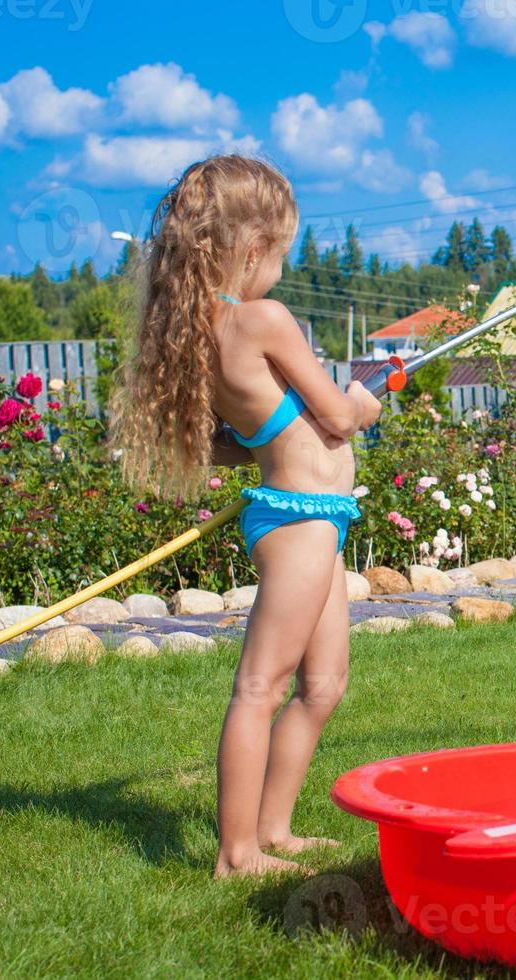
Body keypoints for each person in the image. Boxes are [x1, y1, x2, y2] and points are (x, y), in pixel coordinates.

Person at [111, 156, 383, 876]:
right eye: (281, 254)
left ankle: (275, 831)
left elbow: (239, 442)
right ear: (250, 247)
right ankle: (236, 854)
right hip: (299, 522)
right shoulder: (262, 318)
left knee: (323, 685)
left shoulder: (202, 327)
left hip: (316, 518)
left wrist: (320, 419)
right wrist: (363, 397)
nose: (281, 271)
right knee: (261, 686)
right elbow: (336, 415)